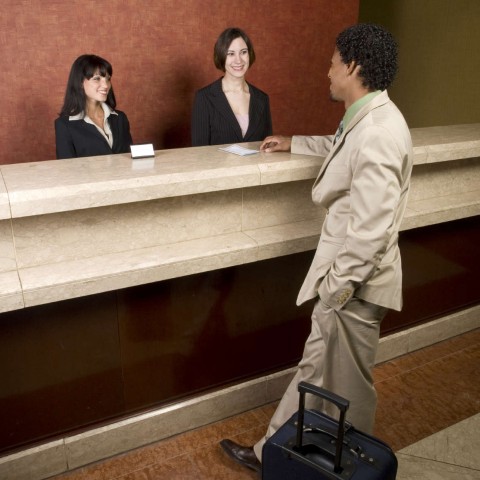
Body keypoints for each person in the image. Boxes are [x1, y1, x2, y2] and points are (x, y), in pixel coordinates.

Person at [220, 23, 413, 474]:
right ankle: (285, 454)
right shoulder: (368, 117)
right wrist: (295, 143)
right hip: (351, 285)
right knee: (329, 377)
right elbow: (342, 149)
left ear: (353, 66)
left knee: (345, 387)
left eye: (332, 63)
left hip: (354, 288)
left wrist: (334, 292)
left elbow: (369, 233)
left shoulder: (380, 132)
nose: (326, 71)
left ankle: (305, 460)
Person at [191, 27, 272, 146]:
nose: (238, 60)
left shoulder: (262, 99)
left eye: (243, 52)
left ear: (250, 54)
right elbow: (199, 153)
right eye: (231, 54)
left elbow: (268, 149)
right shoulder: (204, 98)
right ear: (221, 56)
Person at [55, 54, 132, 159]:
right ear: (80, 82)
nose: (106, 85)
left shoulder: (120, 118)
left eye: (108, 79)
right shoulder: (64, 125)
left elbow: (130, 160)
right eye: (97, 79)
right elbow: (67, 170)